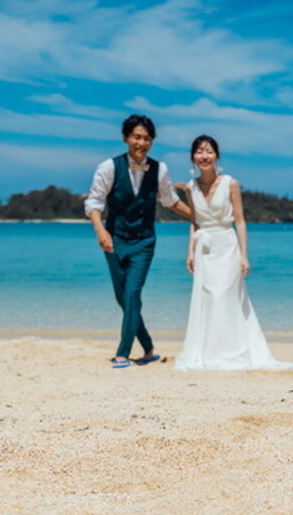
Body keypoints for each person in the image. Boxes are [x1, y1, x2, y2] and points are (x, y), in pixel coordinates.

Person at [175, 135, 293, 371]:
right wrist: (189, 252)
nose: (204, 156)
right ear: (193, 157)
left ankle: (230, 350)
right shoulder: (190, 187)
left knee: (226, 296)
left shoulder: (230, 183)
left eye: (209, 151)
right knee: (207, 298)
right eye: (199, 152)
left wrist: (244, 255)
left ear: (217, 156)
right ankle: (209, 351)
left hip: (227, 245)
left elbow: (240, 221)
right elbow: (195, 222)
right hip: (203, 249)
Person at [85, 114, 192, 369]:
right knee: (123, 298)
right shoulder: (108, 167)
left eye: (146, 138)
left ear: (152, 141)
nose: (141, 143)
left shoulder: (160, 169)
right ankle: (148, 348)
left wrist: (201, 217)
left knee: (132, 292)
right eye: (136, 137)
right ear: (126, 138)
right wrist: (100, 231)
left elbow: (170, 201)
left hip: (144, 242)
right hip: (113, 239)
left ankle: (122, 353)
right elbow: (94, 202)